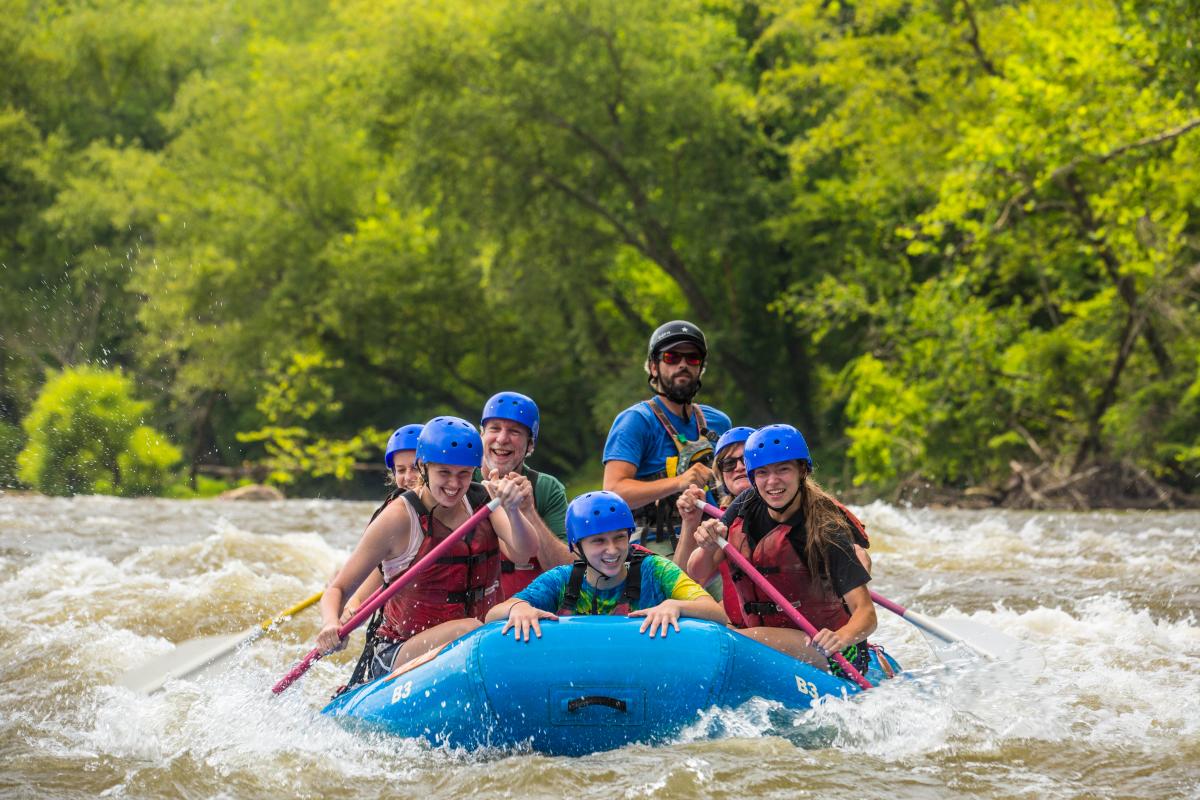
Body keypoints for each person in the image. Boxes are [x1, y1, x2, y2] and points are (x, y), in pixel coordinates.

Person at [316, 416, 537, 685]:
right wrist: (330, 623)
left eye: (463, 474)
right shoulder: (397, 518)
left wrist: (513, 510)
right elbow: (337, 588)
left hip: (477, 641)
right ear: (424, 466)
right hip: (399, 651)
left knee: (515, 611)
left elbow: (524, 552)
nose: (454, 485)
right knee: (468, 630)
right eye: (444, 473)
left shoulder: (483, 501)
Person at [688, 425, 878, 675]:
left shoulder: (826, 529)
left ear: (802, 470)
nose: (772, 481)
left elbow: (866, 614)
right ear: (753, 476)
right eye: (763, 472)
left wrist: (841, 638)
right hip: (772, 639)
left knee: (729, 641)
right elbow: (696, 574)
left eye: (783, 469)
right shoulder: (744, 506)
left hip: (831, 652)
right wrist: (707, 543)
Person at [484, 490, 728, 640]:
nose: (612, 550)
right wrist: (517, 608)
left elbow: (716, 613)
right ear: (577, 547)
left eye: (620, 537)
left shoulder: (654, 569)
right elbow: (492, 616)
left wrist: (675, 605)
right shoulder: (561, 580)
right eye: (599, 541)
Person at [602, 320, 731, 555]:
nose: (683, 364)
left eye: (692, 358)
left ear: (700, 367)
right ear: (653, 367)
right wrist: (679, 482)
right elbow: (613, 492)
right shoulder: (636, 421)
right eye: (672, 357)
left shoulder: (719, 422)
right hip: (655, 543)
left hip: (716, 536)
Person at [477, 391, 573, 597]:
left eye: (514, 432)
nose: (502, 439)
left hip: (532, 606)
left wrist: (528, 510)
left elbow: (567, 571)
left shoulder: (547, 488)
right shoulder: (460, 481)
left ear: (530, 444)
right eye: (494, 429)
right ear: (481, 435)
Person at [672, 425, 755, 608]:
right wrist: (690, 522)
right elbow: (682, 586)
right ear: (721, 476)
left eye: (747, 459)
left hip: (791, 630)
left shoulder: (797, 509)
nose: (739, 467)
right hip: (740, 629)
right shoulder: (724, 521)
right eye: (729, 464)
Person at [384, 423, 424, 491]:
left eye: (416, 468)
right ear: (394, 473)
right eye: (401, 470)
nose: (408, 478)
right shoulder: (393, 501)